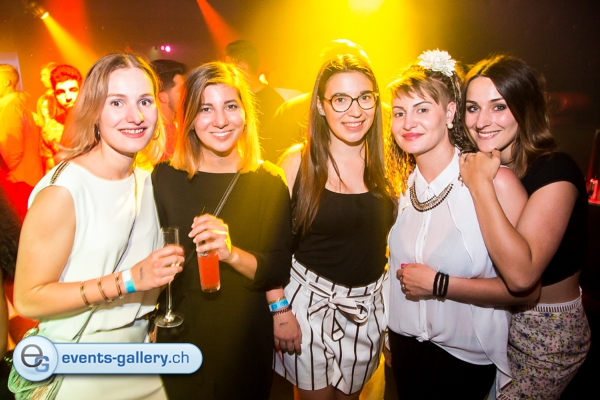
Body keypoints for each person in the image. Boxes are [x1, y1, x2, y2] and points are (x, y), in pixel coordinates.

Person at [12, 53, 184, 399]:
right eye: (116, 102)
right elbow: (28, 299)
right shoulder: (64, 191)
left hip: (142, 360)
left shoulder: (150, 181)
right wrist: (128, 281)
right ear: (93, 110)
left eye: (145, 101)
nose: (135, 116)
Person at [384, 50, 538, 399]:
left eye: (422, 109)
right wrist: (387, 338)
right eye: (399, 112)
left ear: (451, 113)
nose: (408, 123)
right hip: (405, 350)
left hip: (465, 360)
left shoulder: (495, 182)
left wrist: (439, 284)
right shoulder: (399, 187)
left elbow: (527, 289)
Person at [152, 62, 292, 400]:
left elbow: (276, 268)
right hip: (180, 332)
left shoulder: (267, 182)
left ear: (245, 114)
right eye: (205, 109)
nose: (220, 120)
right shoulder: (164, 178)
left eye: (230, 106)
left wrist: (230, 253)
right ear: (189, 118)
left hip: (243, 338)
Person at [459, 55, 591, 400]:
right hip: (496, 323)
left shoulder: (556, 171)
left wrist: (481, 185)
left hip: (547, 335)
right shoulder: (483, 165)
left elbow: (521, 277)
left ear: (525, 108)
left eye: (499, 107)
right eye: (472, 108)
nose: (482, 121)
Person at [273, 54, 394, 400]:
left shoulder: (391, 162)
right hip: (307, 305)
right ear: (321, 106)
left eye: (364, 97)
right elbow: (271, 246)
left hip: (366, 308)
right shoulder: (297, 162)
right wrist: (279, 310)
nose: (355, 111)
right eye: (340, 99)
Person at [225, 39, 284, 161]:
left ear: (243, 68)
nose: (225, 75)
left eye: (228, 68)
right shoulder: (233, 100)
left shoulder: (273, 102)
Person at [0, 64, 45, 219]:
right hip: (24, 179)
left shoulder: (11, 105)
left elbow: (11, 147)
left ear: (7, 82)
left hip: (18, 180)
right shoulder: (16, 103)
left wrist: (5, 176)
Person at [151, 59, 187, 160]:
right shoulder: (154, 141)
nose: (187, 94)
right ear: (163, 97)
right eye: (181, 90)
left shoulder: (180, 128)